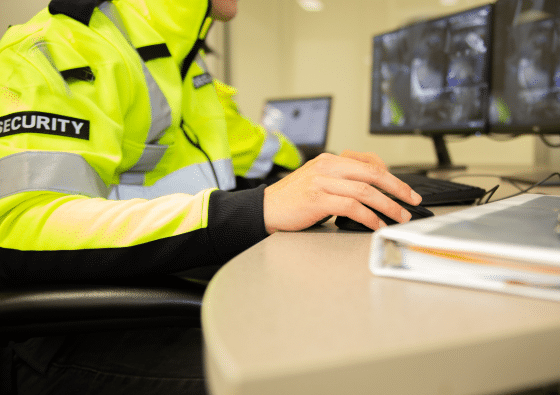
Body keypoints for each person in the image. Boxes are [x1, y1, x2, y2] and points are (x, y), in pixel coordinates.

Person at [0, 0, 422, 393]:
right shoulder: (54, 48)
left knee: (358, 334)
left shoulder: (182, 67)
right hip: (76, 333)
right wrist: (256, 208)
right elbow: (18, 223)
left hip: (179, 293)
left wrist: (326, 169)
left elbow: (261, 152)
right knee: (334, 377)